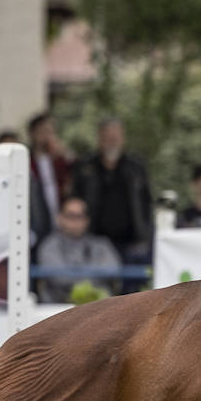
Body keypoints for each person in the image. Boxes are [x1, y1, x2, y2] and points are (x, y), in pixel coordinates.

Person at [71, 117, 153, 284]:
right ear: (99, 139)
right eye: (108, 138)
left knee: (131, 289)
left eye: (116, 138)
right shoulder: (86, 167)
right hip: (95, 239)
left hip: (131, 242)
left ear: (123, 140)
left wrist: (146, 235)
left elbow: (147, 204)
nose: (112, 143)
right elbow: (75, 200)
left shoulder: (135, 167)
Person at [35, 197, 121, 303]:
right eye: (70, 216)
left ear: (87, 220)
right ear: (59, 218)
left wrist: (75, 273)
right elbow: (59, 278)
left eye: (79, 216)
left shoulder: (102, 244)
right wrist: (94, 276)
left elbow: (113, 270)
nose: (75, 221)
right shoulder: (48, 245)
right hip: (58, 309)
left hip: (99, 308)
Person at [26, 113, 74, 254]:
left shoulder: (60, 160)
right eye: (42, 132)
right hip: (36, 224)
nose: (46, 136)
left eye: (50, 132)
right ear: (33, 134)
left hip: (60, 221)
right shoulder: (27, 160)